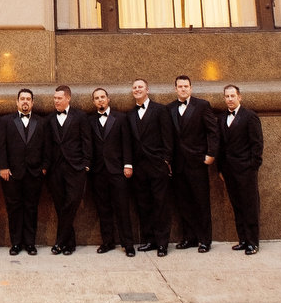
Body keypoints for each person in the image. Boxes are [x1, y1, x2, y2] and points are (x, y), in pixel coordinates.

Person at [167, 75, 219, 253]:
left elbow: (213, 131)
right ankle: (189, 238)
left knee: (201, 203)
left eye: (185, 86)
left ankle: (205, 240)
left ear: (191, 88)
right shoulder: (170, 108)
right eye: (179, 86)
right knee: (183, 203)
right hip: (178, 165)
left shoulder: (202, 105)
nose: (182, 89)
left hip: (197, 162)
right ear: (175, 89)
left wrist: (211, 154)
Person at [0, 87, 48, 256]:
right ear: (17, 102)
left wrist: (44, 168)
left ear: (32, 102)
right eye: (22, 99)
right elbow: (0, 146)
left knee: (32, 209)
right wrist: (3, 167)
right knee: (14, 209)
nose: (25, 101)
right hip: (11, 174)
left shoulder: (41, 122)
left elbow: (48, 147)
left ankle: (30, 244)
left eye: (28, 99)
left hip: (34, 174)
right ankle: (16, 243)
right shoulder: (5, 121)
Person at [126, 78, 173, 257]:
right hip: (139, 168)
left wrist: (166, 161)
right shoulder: (130, 115)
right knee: (143, 205)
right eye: (134, 87)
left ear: (147, 90)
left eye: (140, 87)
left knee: (160, 205)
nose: (137, 89)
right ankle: (149, 240)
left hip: (157, 166)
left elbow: (168, 137)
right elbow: (129, 142)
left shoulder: (160, 110)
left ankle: (162, 243)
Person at [45, 85, 92, 255]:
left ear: (68, 98)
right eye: (55, 98)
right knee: (60, 205)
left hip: (76, 168)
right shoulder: (50, 118)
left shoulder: (80, 116)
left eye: (59, 98)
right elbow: (47, 144)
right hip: (55, 169)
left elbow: (87, 141)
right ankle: (69, 243)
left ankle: (59, 242)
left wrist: (86, 163)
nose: (56, 101)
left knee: (71, 203)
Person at [89, 87, 135, 257]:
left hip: (118, 171)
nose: (100, 100)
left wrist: (128, 164)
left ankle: (128, 244)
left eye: (102, 97)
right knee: (103, 208)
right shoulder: (90, 120)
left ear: (108, 99)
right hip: (98, 172)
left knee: (122, 208)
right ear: (93, 102)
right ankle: (107, 241)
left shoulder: (121, 118)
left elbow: (127, 143)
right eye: (96, 98)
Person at [218, 84, 264, 255]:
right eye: (227, 96)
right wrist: (220, 169)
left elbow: (257, 144)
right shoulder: (222, 118)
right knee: (237, 205)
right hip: (229, 171)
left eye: (232, 96)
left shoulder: (250, 116)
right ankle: (243, 240)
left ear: (239, 97)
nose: (229, 99)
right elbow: (221, 146)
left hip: (246, 170)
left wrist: (253, 166)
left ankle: (253, 242)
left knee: (250, 206)